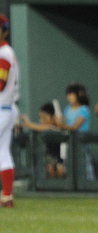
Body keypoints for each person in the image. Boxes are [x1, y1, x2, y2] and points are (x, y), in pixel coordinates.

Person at [0, 14, 19, 208]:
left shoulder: (3, 53)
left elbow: (0, 83)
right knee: (3, 152)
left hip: (2, 108)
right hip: (6, 108)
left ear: (4, 31)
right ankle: (7, 196)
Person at [57, 81, 94, 180]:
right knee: (68, 167)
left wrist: (62, 124)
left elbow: (75, 127)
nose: (69, 97)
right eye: (68, 94)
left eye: (72, 94)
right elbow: (63, 125)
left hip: (81, 144)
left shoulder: (84, 109)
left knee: (84, 167)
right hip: (69, 144)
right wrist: (59, 122)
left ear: (80, 94)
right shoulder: (67, 109)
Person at [21, 102, 64, 178]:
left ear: (53, 118)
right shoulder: (40, 132)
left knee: (59, 169)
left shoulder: (56, 129)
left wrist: (29, 124)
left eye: (44, 118)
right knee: (48, 166)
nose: (41, 121)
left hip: (60, 162)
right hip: (46, 162)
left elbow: (49, 128)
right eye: (40, 118)